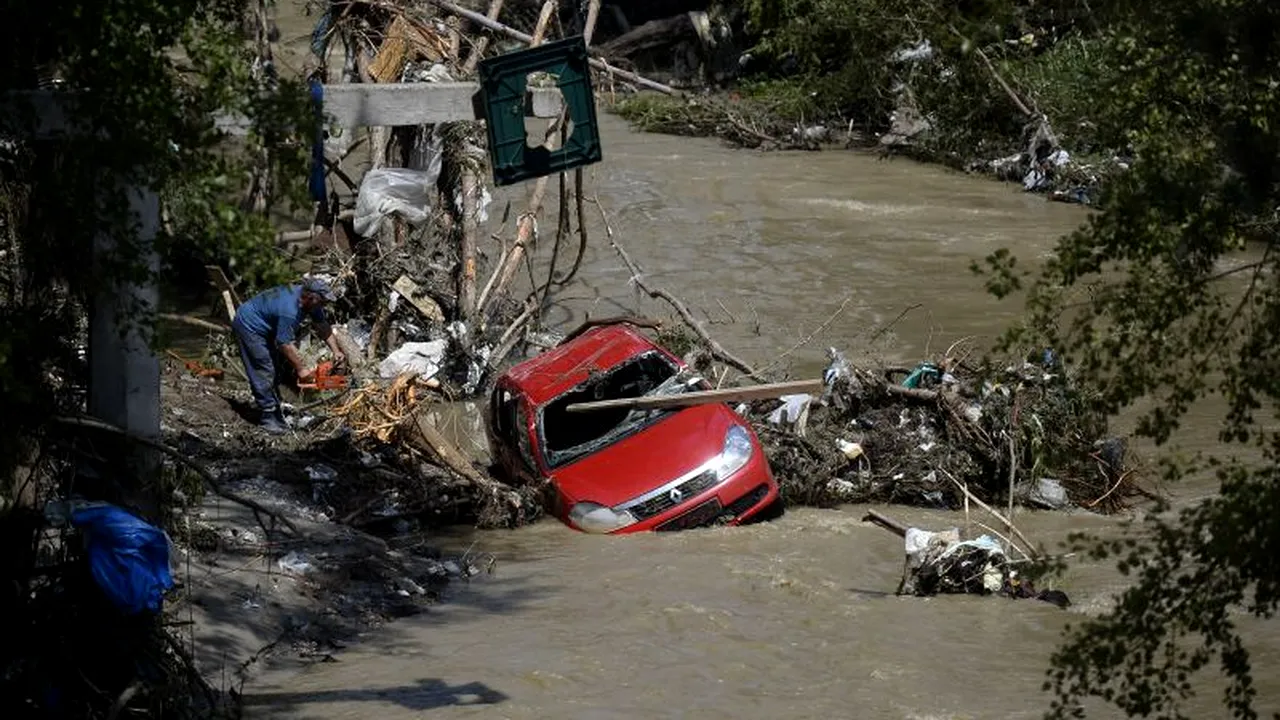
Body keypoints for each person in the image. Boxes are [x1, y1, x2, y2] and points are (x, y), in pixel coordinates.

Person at [231, 277, 346, 434]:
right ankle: (268, 418)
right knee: (264, 369)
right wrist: (302, 370)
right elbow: (283, 343)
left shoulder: (310, 301)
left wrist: (336, 351)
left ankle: (276, 408)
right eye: (322, 302)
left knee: (275, 368)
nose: (324, 305)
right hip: (249, 325)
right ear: (311, 297)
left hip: (267, 325)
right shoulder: (289, 310)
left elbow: (322, 325)